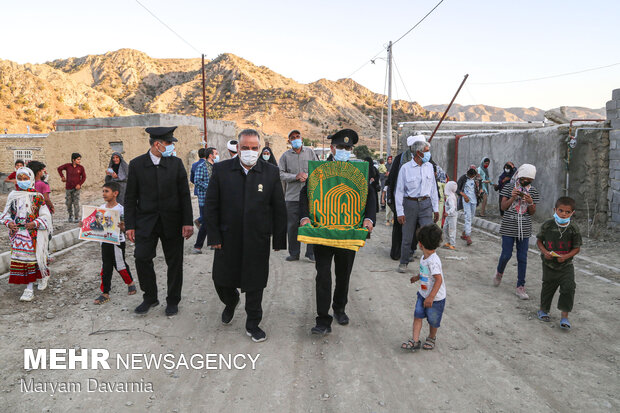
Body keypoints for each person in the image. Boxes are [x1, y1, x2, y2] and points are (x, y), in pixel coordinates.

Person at [206, 129, 287, 343]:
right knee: (221, 280)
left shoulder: (270, 172)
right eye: (245, 148)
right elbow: (211, 205)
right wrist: (213, 236)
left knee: (255, 282)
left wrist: (279, 238)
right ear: (238, 149)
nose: (250, 152)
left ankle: (253, 323)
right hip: (227, 237)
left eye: (254, 148)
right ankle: (230, 302)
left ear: (259, 149)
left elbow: (278, 207)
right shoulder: (222, 170)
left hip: (257, 238)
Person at [299, 129, 376, 335]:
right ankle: (322, 319)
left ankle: (339, 308)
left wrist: (369, 220)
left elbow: (370, 196)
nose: (344, 150)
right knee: (323, 275)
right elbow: (305, 193)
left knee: (344, 275)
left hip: (348, 233)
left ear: (352, 150)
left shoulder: (359, 172)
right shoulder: (319, 170)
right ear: (332, 148)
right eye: (340, 147)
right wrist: (305, 216)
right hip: (323, 232)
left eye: (348, 148)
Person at [125, 126, 194, 316]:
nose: (171, 146)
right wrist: (130, 225)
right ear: (158, 144)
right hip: (146, 222)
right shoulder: (137, 165)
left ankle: (173, 300)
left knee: (174, 262)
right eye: (169, 143)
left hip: (172, 221)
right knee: (142, 257)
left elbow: (184, 195)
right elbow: (130, 197)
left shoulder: (176, 164)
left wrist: (187, 222)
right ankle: (150, 297)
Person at [0, 167, 52, 301]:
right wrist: (9, 223)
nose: (22, 181)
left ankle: (30, 288)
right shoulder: (13, 196)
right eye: (20, 179)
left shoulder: (37, 197)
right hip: (18, 234)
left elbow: (46, 216)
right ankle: (31, 284)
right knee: (23, 260)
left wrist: (35, 223)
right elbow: (6, 214)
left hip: (33, 235)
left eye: (25, 179)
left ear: (31, 179)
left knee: (34, 258)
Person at [493, 164, 539, 299]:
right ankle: (499, 272)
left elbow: (532, 213)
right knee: (506, 254)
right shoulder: (508, 187)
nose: (526, 182)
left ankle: (521, 286)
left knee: (522, 257)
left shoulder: (533, 191)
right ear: (519, 176)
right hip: (508, 226)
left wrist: (530, 202)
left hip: (524, 228)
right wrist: (513, 197)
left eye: (529, 180)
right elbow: (503, 207)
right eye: (524, 179)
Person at [536, 196, 582, 330]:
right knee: (548, 287)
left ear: (572, 213)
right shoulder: (548, 225)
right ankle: (543, 310)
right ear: (555, 210)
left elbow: (577, 248)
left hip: (566, 265)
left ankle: (565, 316)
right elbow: (539, 241)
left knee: (568, 288)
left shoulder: (573, 228)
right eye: (561, 210)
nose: (563, 214)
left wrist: (566, 256)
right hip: (549, 264)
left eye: (568, 212)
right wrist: (545, 252)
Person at [395, 136, 439, 273]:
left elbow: (433, 189)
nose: (428, 153)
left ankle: (429, 265)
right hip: (410, 205)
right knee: (407, 237)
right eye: (426, 151)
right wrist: (400, 212)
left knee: (428, 236)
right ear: (419, 153)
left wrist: (435, 209)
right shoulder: (405, 168)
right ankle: (403, 262)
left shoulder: (429, 167)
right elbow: (399, 191)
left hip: (426, 205)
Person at [401, 224, 446, 352]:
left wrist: (431, 297)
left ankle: (431, 337)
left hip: (435, 298)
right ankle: (415, 340)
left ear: (420, 244)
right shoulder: (424, 258)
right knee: (418, 316)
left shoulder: (434, 261)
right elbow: (426, 272)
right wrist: (417, 277)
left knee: (433, 320)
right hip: (423, 294)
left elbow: (438, 279)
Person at [279, 129, 319, 262]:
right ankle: (294, 253)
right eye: (292, 137)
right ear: (289, 141)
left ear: (301, 138)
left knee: (311, 224)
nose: (295, 139)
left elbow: (318, 169)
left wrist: (309, 176)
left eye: (297, 136)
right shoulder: (285, 156)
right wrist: (295, 176)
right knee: (292, 226)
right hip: (292, 197)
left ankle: (311, 253)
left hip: (310, 196)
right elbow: (281, 174)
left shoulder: (310, 152)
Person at [93, 182, 137, 305]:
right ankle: (105, 292)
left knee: (120, 265)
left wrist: (123, 227)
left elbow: (126, 228)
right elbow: (96, 225)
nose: (103, 194)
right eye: (103, 191)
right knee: (105, 266)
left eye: (106, 191)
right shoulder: (101, 208)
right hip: (105, 242)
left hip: (117, 242)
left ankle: (130, 283)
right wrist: (84, 225)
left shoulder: (121, 210)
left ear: (115, 193)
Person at [385, 135, 422, 261]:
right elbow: (392, 179)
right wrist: (391, 197)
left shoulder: (424, 160)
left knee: (414, 227)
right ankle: (396, 252)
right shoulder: (400, 159)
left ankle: (409, 252)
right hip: (400, 198)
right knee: (399, 226)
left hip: (416, 200)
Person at [193, 147, 218, 254]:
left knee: (214, 221)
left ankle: (213, 243)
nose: (217, 155)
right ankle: (197, 246)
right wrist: (210, 187)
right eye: (216, 153)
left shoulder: (216, 166)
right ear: (210, 155)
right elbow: (197, 181)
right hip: (205, 199)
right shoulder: (201, 166)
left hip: (215, 199)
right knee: (207, 222)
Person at [57, 153, 86, 223]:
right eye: (78, 159)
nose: (79, 161)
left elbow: (84, 177)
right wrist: (62, 177)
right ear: (73, 160)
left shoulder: (81, 168)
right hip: (68, 188)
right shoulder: (67, 166)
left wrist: (79, 184)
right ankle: (70, 216)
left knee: (76, 202)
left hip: (76, 189)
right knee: (68, 202)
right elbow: (59, 169)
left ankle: (76, 217)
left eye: (79, 159)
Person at [457, 166, 481, 246]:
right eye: (470, 174)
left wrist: (480, 191)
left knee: (471, 217)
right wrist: (464, 195)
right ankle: (468, 236)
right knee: (468, 217)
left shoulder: (477, 179)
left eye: (472, 175)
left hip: (474, 200)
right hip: (466, 200)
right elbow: (457, 189)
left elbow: (480, 187)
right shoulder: (463, 178)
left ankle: (464, 233)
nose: (471, 176)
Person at [442, 181, 458, 250]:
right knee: (445, 228)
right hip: (448, 216)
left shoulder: (450, 198)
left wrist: (447, 212)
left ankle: (452, 244)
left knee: (452, 230)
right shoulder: (451, 196)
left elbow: (453, 207)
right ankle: (448, 242)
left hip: (452, 216)